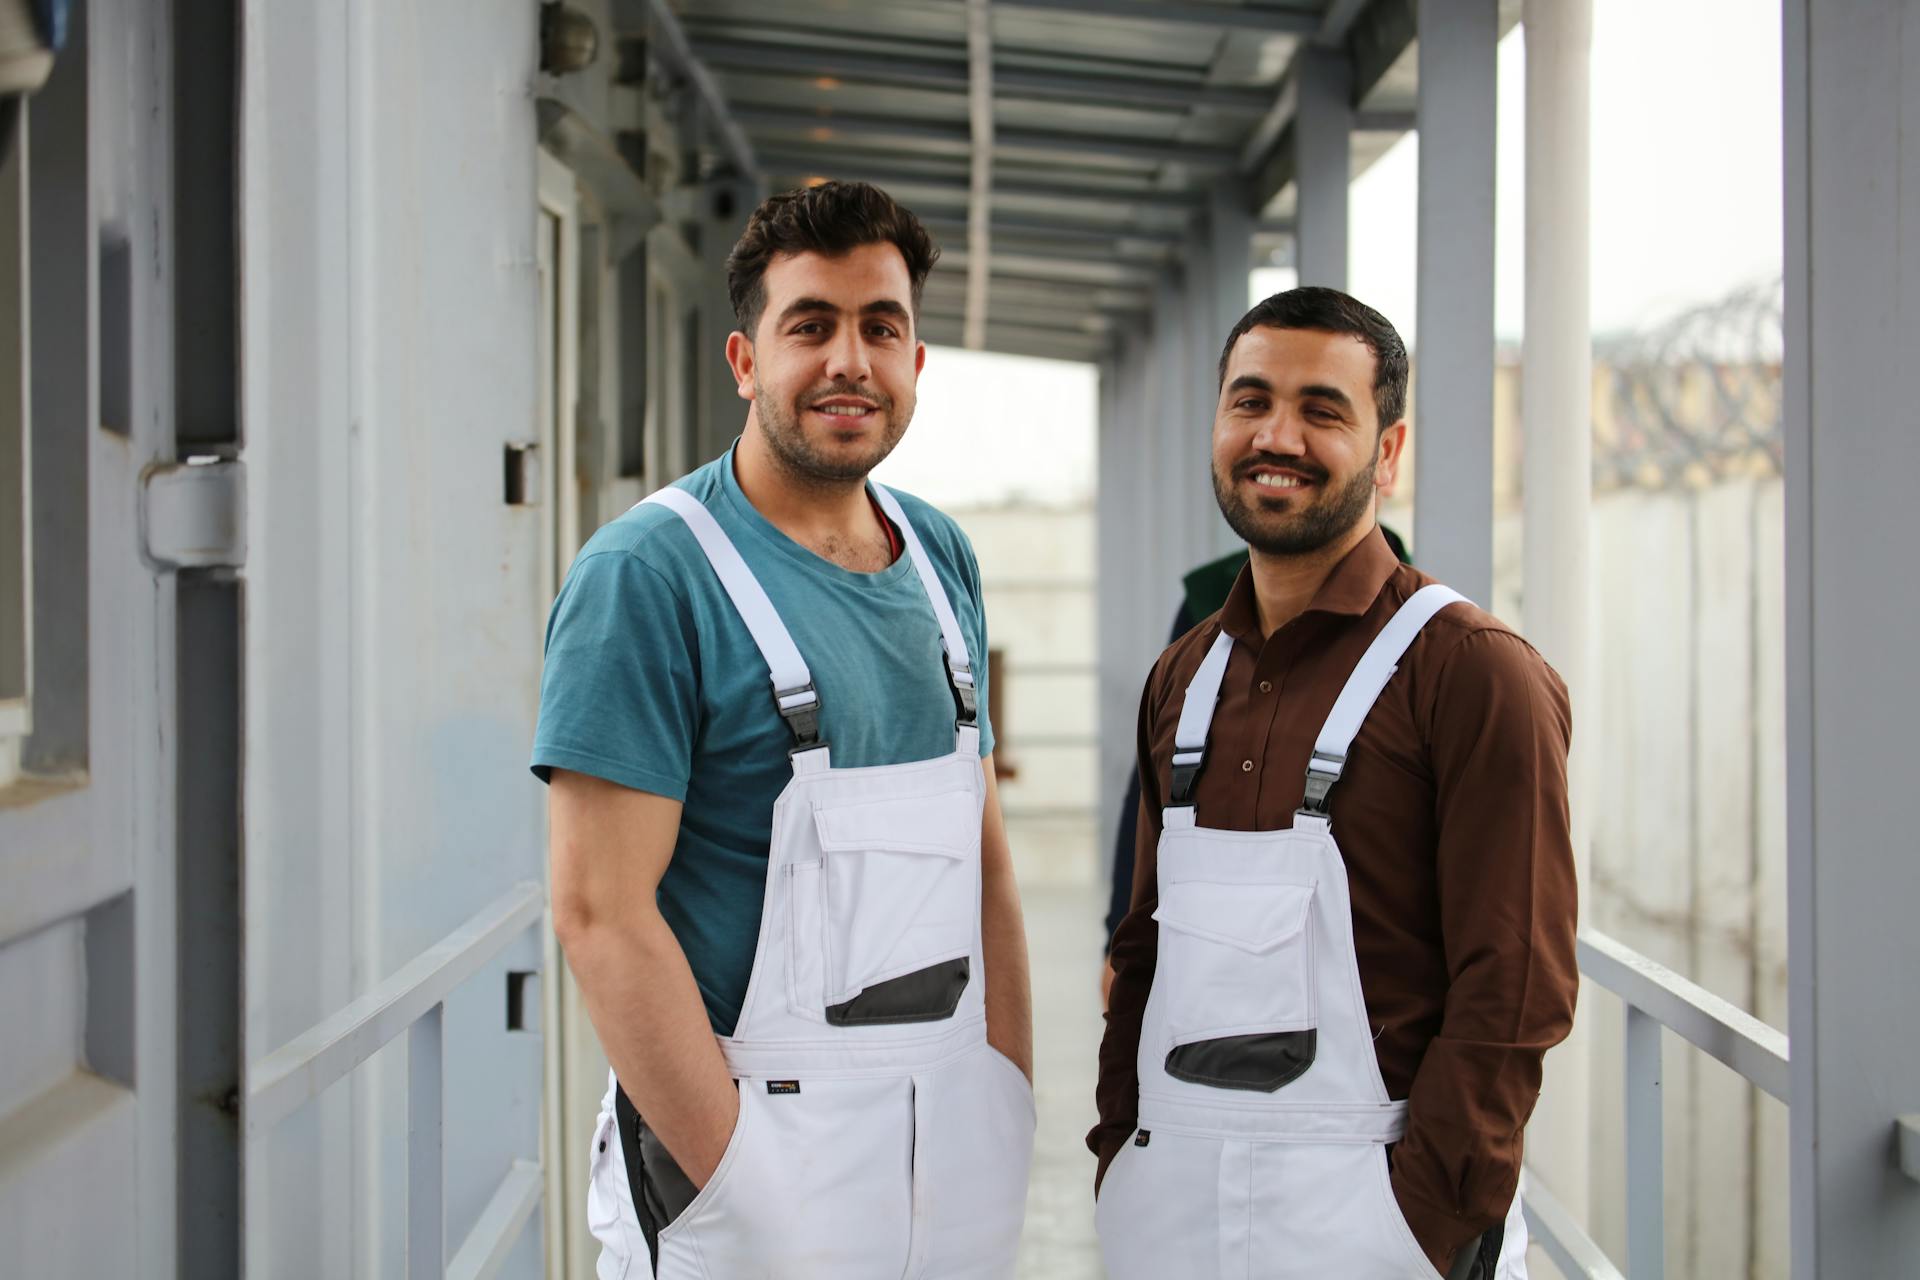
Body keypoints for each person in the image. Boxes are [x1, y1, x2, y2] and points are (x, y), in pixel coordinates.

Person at [536, 181, 1035, 1279]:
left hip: (948, 1155)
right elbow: (597, 911)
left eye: (880, 328)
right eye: (810, 325)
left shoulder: (942, 557)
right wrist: (738, 1189)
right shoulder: (649, 574)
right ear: (745, 360)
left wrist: (1007, 1096)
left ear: (915, 363)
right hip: (752, 1164)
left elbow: (986, 863)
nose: (849, 361)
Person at [1091, 287, 1577, 1280]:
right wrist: (1118, 1164)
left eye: (1323, 409)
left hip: (1378, 1229)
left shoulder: (1474, 670)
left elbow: (1517, 986)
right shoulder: (1182, 674)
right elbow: (1142, 948)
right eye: (1250, 401)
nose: (1278, 434)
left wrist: (1422, 1223)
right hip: (1171, 1218)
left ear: (1388, 452)